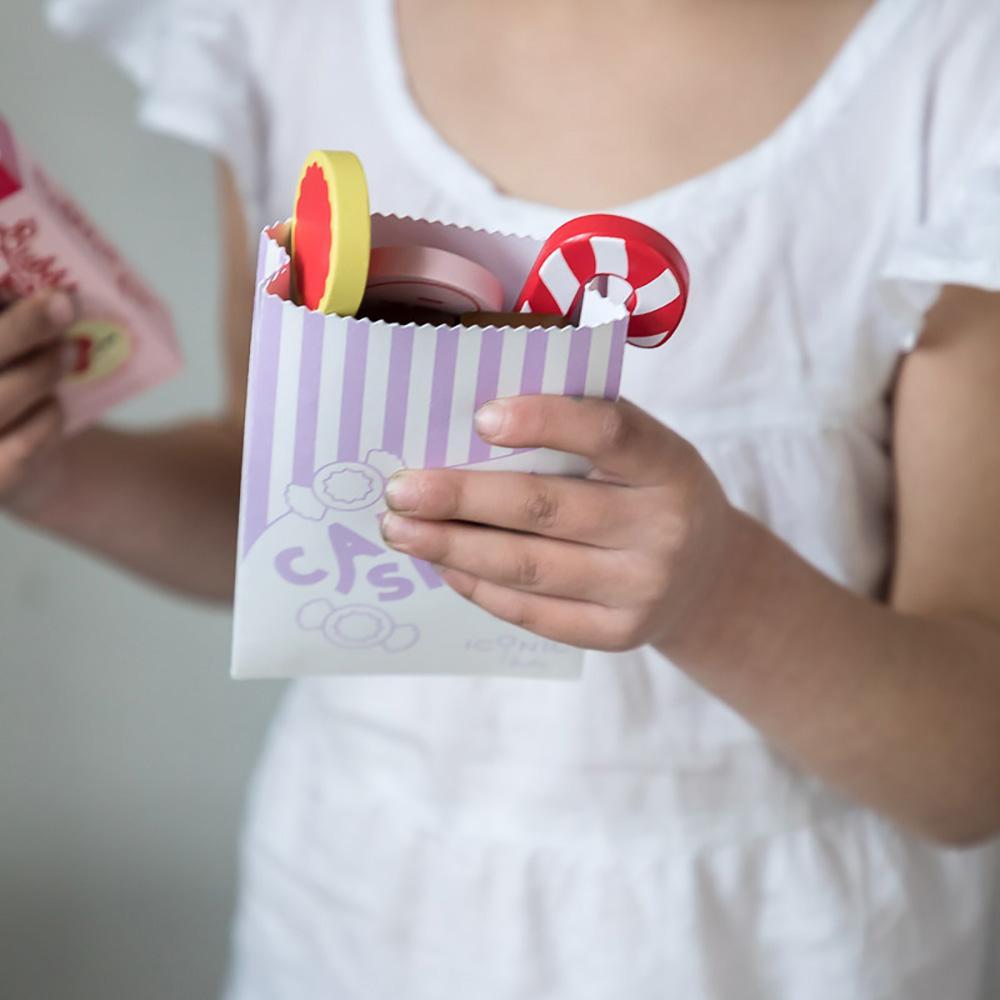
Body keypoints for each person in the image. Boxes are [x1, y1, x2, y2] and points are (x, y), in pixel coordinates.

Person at [7, 0, 999, 995]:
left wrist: (718, 592)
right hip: (360, 916)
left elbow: (968, 768)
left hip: (780, 944)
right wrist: (49, 467)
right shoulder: (289, 29)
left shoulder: (955, 77)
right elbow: (276, 509)